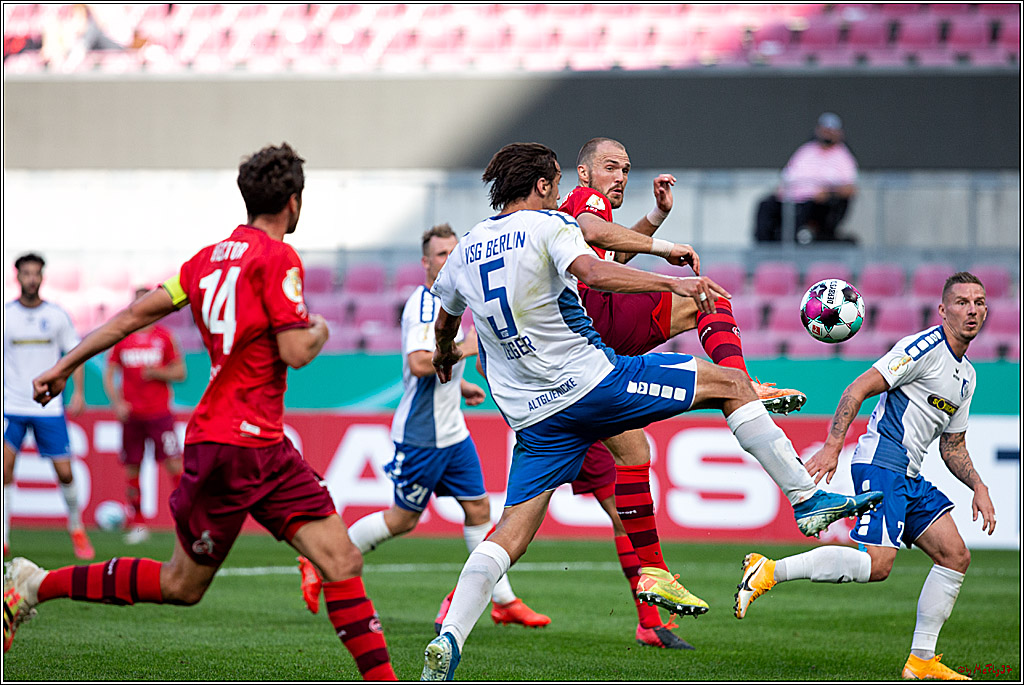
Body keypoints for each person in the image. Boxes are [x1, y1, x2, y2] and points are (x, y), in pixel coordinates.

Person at [420, 142, 883, 680]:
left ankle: (450, 637)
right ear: (546, 186)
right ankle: (807, 499)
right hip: (593, 383)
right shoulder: (548, 226)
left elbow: (447, 319)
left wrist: (446, 357)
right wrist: (671, 279)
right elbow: (595, 271)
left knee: (512, 532)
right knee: (733, 382)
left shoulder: (465, 249)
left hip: (533, 418)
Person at [4, 143, 397, 679]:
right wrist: (322, 329)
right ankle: (35, 584)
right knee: (181, 585)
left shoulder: (205, 261)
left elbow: (130, 317)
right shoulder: (279, 258)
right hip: (234, 447)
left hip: (257, 445)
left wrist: (64, 366)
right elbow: (296, 352)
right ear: (293, 202)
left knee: (340, 560)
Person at [560, 137, 808, 648]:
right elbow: (592, 230)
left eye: (626, 168)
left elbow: (609, 244)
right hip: (587, 341)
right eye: (610, 166)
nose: (620, 175)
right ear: (582, 173)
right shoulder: (584, 204)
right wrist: (664, 247)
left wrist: (655, 217)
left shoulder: (595, 216)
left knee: (629, 465)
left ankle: (651, 614)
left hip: (591, 354)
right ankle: (743, 385)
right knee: (700, 297)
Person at [734, 272, 993, 682]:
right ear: (943, 310)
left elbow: (952, 446)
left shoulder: (967, 377)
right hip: (881, 463)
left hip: (909, 472)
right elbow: (857, 388)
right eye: (962, 302)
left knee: (955, 556)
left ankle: (921, 660)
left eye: (979, 302)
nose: (972, 310)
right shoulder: (922, 347)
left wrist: (978, 485)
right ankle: (768, 570)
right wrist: (833, 446)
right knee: (878, 565)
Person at [298, 223, 549, 630]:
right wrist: (470, 346)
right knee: (403, 519)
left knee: (479, 509)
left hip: (451, 431)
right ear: (425, 262)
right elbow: (419, 362)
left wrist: (463, 384)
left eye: (453, 252)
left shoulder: (453, 297)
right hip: (422, 435)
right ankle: (317, 559)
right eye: (440, 254)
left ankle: (502, 600)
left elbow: (435, 364)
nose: (448, 259)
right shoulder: (424, 304)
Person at [3, 253, 93, 561]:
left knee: (65, 472)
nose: (31, 278)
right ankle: (3, 538)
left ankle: (76, 526)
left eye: (35, 273)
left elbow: (74, 354)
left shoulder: (56, 316)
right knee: (5, 469)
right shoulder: (6, 316)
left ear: (42, 277)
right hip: (11, 404)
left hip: (48, 407)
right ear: (18, 277)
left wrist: (78, 392)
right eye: (26, 273)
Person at [102, 286, 186, 544]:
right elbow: (109, 372)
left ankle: (186, 521)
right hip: (133, 417)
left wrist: (158, 372)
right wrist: (117, 403)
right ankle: (138, 526)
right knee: (132, 469)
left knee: (175, 465)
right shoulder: (123, 338)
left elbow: (181, 373)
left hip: (160, 414)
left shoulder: (165, 337)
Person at [754, 112, 858, 244]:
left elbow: (850, 189)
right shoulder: (806, 151)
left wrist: (829, 192)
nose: (827, 133)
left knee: (802, 213)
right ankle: (763, 251)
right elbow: (788, 176)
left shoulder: (843, 157)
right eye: (824, 129)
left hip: (816, 204)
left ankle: (788, 246)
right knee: (766, 206)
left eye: (831, 130)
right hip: (792, 199)